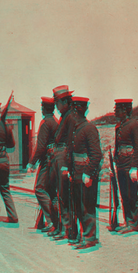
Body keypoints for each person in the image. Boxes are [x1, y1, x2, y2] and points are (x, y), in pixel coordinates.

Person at [70, 97, 102, 249]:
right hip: (77, 173)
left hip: (86, 175)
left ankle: (90, 238)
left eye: (72, 111)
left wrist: (88, 173)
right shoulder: (77, 129)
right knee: (79, 207)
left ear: (77, 111)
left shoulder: (89, 129)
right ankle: (84, 236)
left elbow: (96, 154)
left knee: (87, 206)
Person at [26, 97, 59, 234]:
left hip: (48, 161)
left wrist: (32, 163)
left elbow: (40, 147)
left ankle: (51, 221)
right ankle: (58, 221)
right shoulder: (56, 121)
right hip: (56, 160)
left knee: (39, 189)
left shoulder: (45, 123)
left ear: (43, 109)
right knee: (52, 192)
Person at [49, 85, 77, 241]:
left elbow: (72, 142)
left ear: (65, 102)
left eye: (58, 103)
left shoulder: (70, 117)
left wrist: (67, 164)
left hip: (64, 158)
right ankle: (62, 227)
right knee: (59, 194)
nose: (56, 107)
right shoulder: (65, 116)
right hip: (59, 157)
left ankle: (67, 229)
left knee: (65, 195)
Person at [113, 99, 138, 234]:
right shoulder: (118, 126)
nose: (115, 111)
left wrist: (135, 167)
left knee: (132, 195)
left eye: (117, 109)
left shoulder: (135, 126)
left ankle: (134, 224)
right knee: (124, 195)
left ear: (125, 110)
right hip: (120, 165)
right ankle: (128, 222)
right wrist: (114, 163)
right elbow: (117, 147)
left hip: (130, 164)